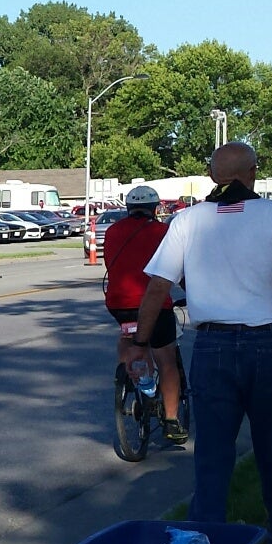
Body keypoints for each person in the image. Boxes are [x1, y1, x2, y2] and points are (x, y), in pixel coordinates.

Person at [135, 143, 272, 544]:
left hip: (213, 348)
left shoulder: (187, 221)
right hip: (271, 347)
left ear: (212, 177)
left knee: (212, 455)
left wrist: (140, 346)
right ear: (253, 172)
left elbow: (157, 287)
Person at [103, 185, 186, 443]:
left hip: (118, 304)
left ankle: (130, 376)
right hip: (155, 305)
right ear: (156, 208)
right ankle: (171, 420)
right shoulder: (163, 231)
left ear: (128, 208)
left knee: (129, 338)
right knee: (167, 360)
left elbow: (110, 264)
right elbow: (177, 270)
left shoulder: (112, 231)